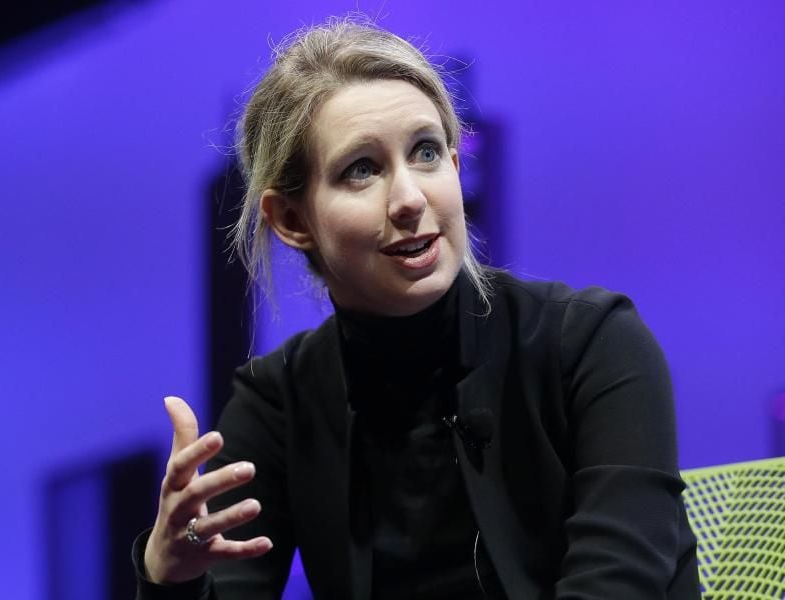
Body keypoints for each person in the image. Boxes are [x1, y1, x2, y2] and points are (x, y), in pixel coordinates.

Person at [133, 16, 701, 600]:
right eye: (362, 169)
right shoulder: (278, 403)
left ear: (456, 169)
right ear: (293, 221)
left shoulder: (593, 344)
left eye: (426, 153)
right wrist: (169, 577)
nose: (409, 199)